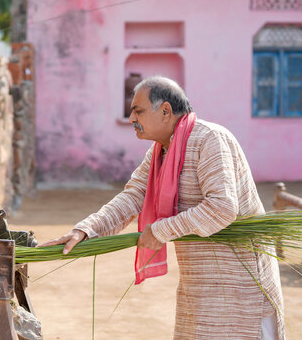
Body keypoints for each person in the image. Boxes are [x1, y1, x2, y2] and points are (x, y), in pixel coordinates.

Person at [42, 76, 284, 339]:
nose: (132, 118)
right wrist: (86, 230)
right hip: (200, 279)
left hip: (239, 277)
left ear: (166, 111)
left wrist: (159, 231)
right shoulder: (161, 151)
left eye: (139, 111)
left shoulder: (210, 139)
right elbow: (133, 196)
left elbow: (222, 207)